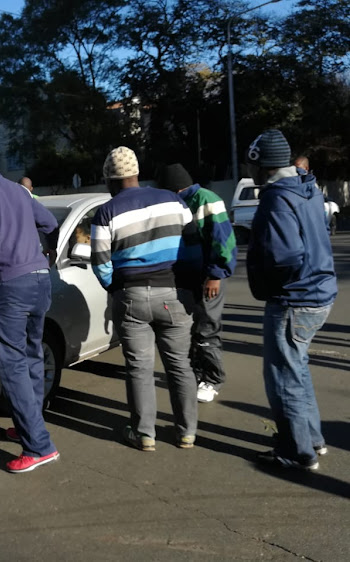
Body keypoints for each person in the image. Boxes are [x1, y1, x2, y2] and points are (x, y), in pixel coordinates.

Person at [0, 144, 60, 474]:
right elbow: (48, 223)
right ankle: (29, 424)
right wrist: (50, 255)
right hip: (40, 280)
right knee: (31, 355)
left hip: (12, 285)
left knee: (13, 364)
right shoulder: (18, 190)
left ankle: (38, 446)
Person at [90, 147, 197, 452]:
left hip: (132, 295)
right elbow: (194, 248)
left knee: (139, 367)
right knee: (179, 365)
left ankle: (144, 433)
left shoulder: (107, 212)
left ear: (110, 179)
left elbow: (100, 262)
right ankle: (187, 432)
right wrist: (189, 288)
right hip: (175, 293)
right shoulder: (174, 201)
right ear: (137, 173)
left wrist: (116, 287)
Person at [246, 129, 337, 471]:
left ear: (261, 164)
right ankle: (311, 439)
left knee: (283, 376)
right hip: (318, 292)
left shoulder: (276, 197)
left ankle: (296, 452)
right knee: (296, 368)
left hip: (293, 298)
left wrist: (269, 283)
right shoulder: (306, 188)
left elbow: (285, 256)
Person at [159, 164, 237, 403]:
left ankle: (213, 379)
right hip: (187, 278)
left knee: (207, 328)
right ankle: (197, 372)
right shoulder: (180, 202)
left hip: (207, 278)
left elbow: (223, 240)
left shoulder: (206, 200)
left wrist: (215, 275)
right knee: (192, 330)